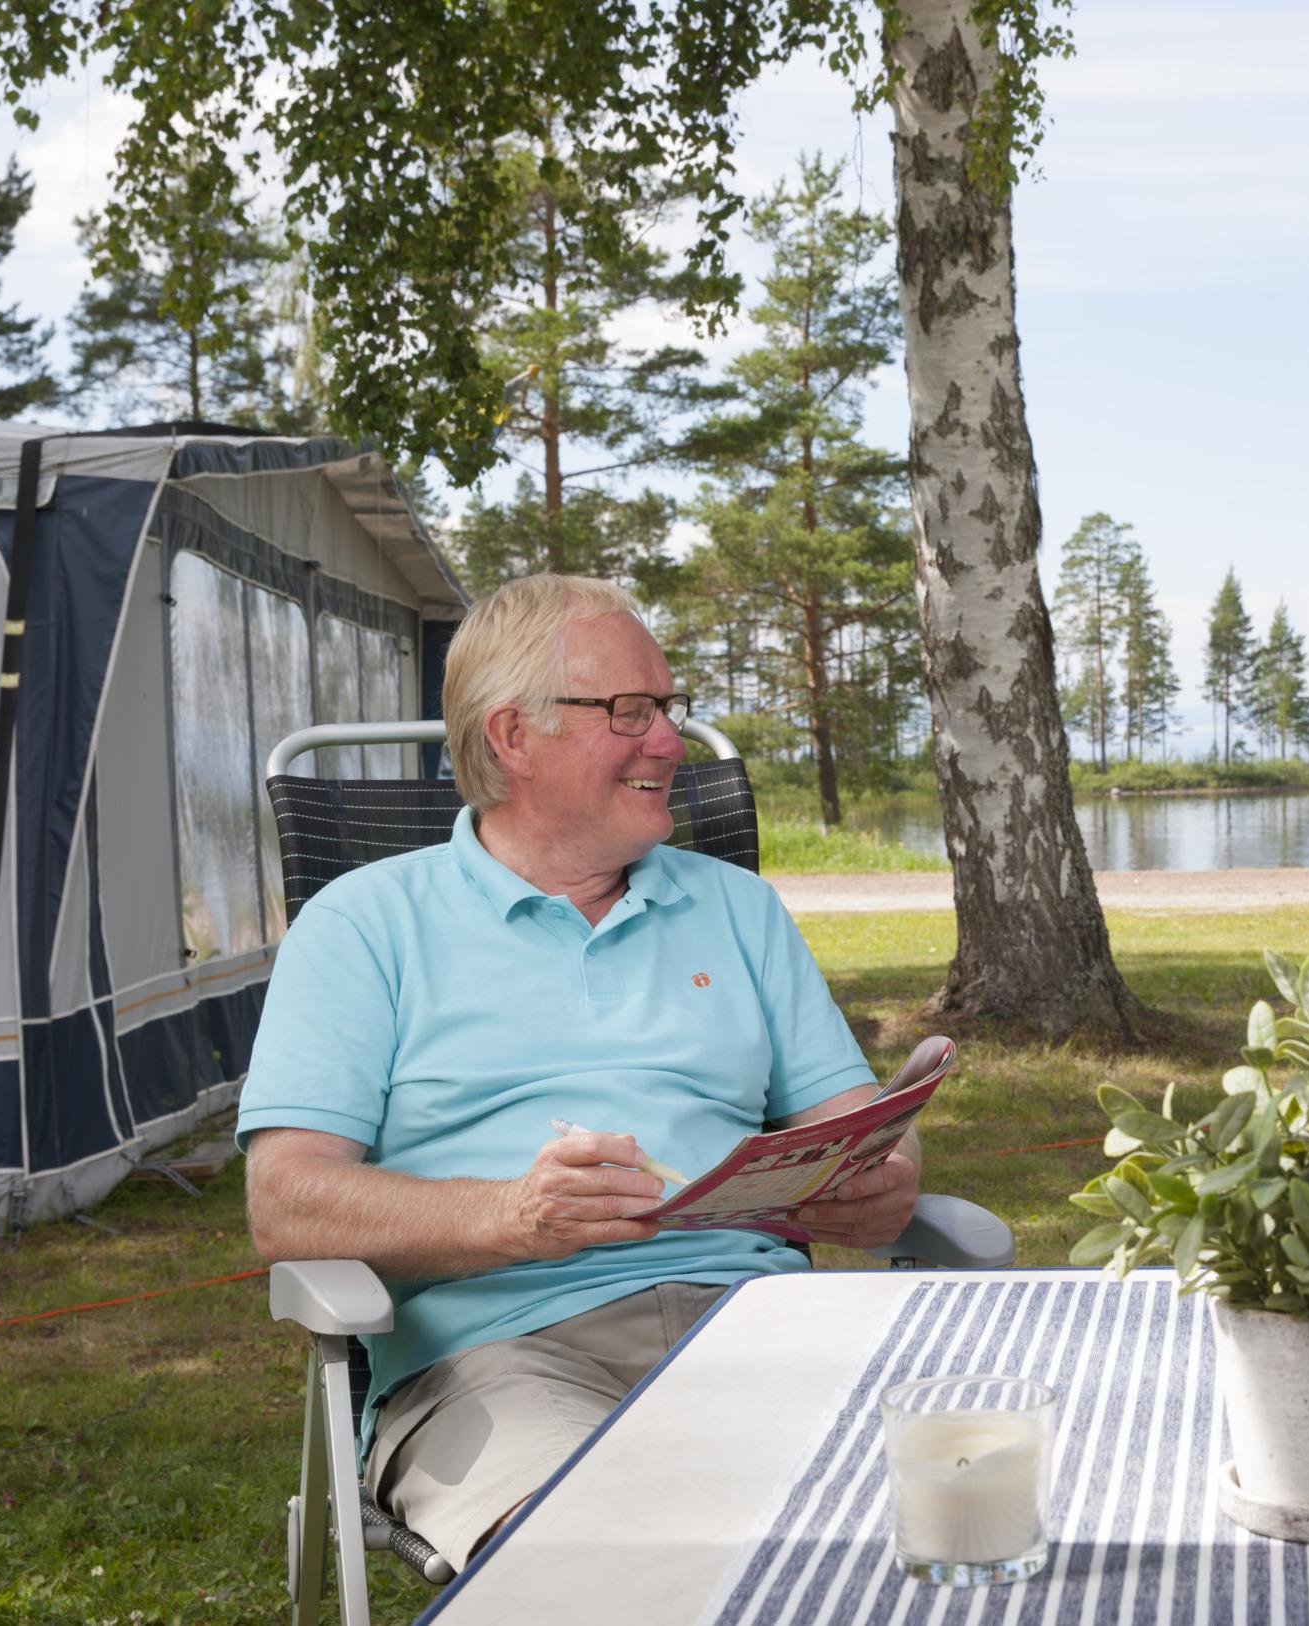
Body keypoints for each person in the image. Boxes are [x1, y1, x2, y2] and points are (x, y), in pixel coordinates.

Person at [237, 573, 920, 1564]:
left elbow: (869, 1141)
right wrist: (512, 1218)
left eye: (667, 710)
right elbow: (285, 1203)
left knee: (960, 1492)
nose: (669, 742)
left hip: (767, 1327)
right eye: (629, 712)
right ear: (513, 736)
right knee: (604, 1565)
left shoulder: (737, 909)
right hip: (501, 1354)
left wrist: (874, 1184)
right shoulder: (364, 923)